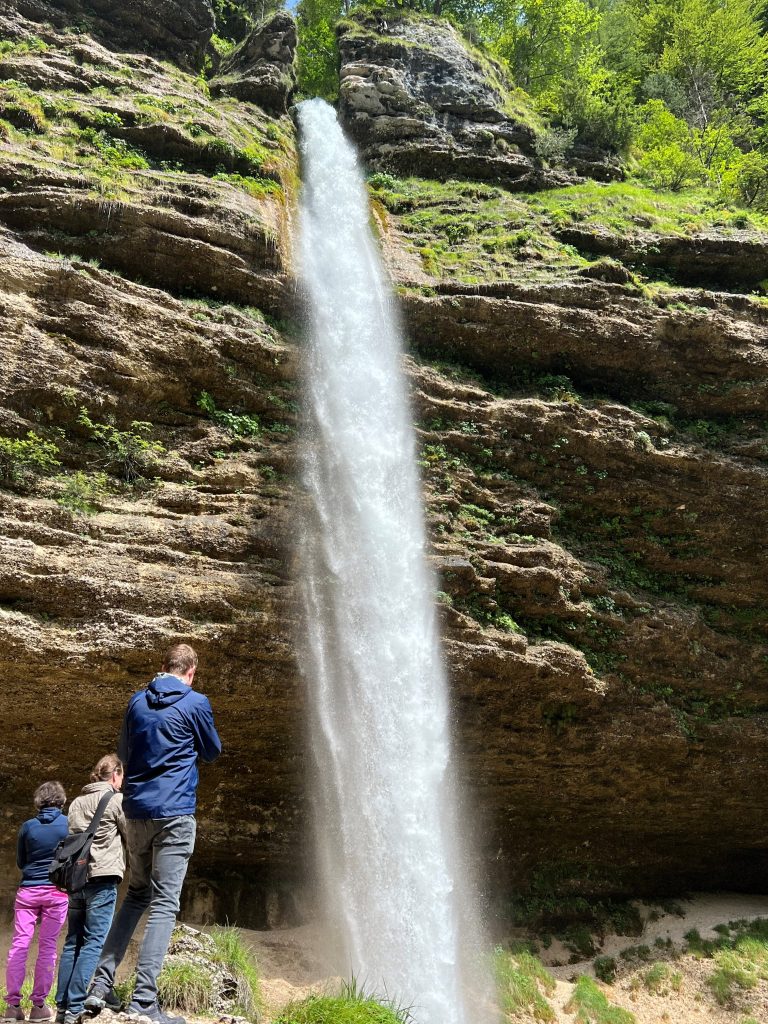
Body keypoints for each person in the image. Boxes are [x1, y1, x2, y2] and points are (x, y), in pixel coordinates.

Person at [85, 643, 221, 1024]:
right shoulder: (196, 702)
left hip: (136, 812)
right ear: (191, 671)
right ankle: (145, 1000)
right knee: (163, 903)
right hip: (175, 812)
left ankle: (100, 986)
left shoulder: (136, 701)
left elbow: (123, 753)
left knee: (136, 896)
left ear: (162, 666)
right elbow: (212, 751)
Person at [55, 755, 126, 1024]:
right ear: (115, 775)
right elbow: (129, 835)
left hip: (77, 878)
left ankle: (62, 1006)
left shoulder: (75, 803)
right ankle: (75, 1006)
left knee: (73, 941)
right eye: (122, 776)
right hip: (103, 878)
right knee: (94, 942)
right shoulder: (116, 801)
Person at [4, 782, 69, 1023]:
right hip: (56, 893)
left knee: (19, 945)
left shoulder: (27, 827)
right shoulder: (68, 825)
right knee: (48, 947)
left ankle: (12, 1007)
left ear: (38, 802)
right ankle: (39, 1006)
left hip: (28, 892)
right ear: (61, 801)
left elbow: (21, 861)